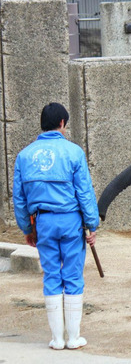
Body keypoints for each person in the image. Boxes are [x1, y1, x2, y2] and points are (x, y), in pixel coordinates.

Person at [12, 102, 99, 350]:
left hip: (43, 222)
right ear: (62, 123)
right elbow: (84, 192)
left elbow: (19, 198)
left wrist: (27, 230)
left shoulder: (24, 156)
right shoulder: (73, 152)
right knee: (72, 275)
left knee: (51, 275)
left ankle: (57, 339)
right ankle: (73, 338)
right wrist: (92, 224)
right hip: (71, 221)